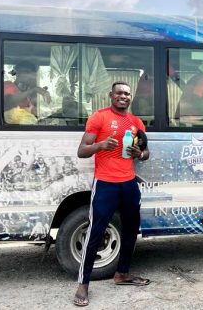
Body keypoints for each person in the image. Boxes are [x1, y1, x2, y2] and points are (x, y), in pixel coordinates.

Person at [73, 81, 150, 307]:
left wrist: (139, 153)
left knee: (131, 229)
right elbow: (81, 151)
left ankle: (122, 273)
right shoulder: (100, 117)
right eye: (119, 93)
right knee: (95, 233)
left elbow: (146, 151)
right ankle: (83, 285)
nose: (123, 96)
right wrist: (100, 145)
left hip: (129, 183)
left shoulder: (136, 122)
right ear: (111, 95)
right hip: (105, 183)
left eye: (127, 93)